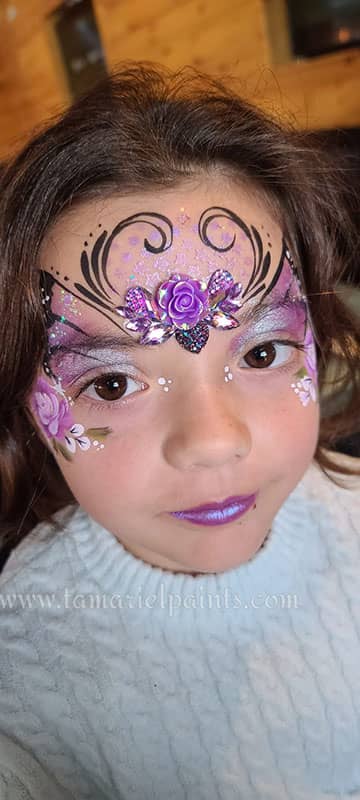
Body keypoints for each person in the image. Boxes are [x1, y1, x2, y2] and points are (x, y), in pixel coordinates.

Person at [0, 63, 359, 800]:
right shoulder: (29, 641)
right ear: (29, 407)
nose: (212, 440)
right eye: (110, 384)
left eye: (260, 353)